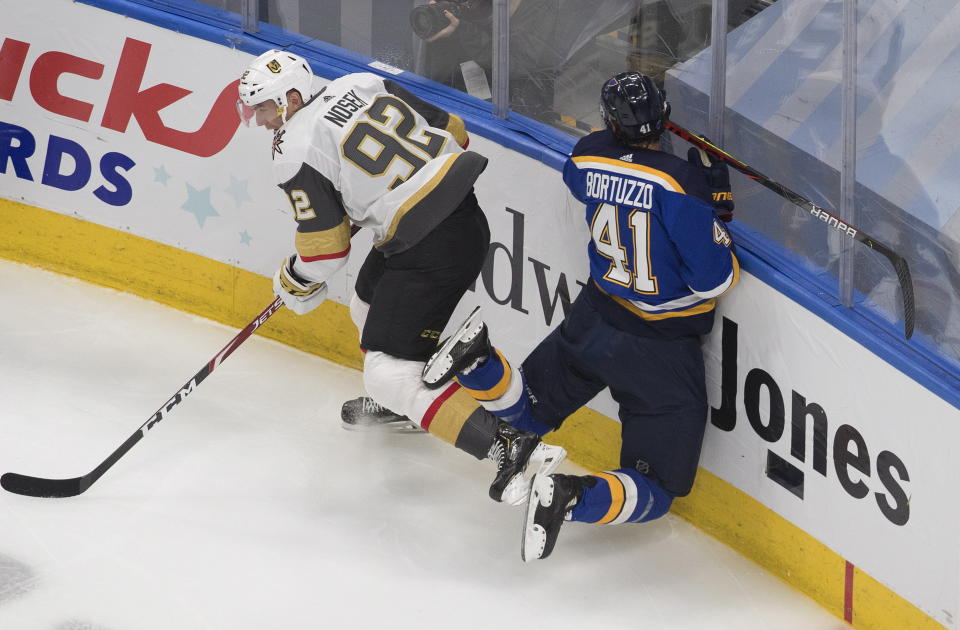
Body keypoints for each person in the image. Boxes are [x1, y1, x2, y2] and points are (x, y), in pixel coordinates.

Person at [421, 71, 740, 560]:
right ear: (665, 115)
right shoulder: (683, 183)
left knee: (528, 412)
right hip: (659, 349)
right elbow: (713, 281)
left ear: (610, 119)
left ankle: (478, 360)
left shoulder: (588, 154)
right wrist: (715, 206)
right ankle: (571, 496)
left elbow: (587, 176)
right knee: (657, 491)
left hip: (594, 319)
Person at [236, 49, 565, 506]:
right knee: (365, 304)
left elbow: (327, 249)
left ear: (292, 97)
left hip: (428, 247)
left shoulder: (292, 148)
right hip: (460, 222)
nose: (262, 121)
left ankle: (510, 446)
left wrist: (294, 278)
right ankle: (409, 406)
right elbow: (456, 133)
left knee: (386, 373)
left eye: (266, 108)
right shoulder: (360, 82)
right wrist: (366, 193)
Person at [418, 0, 560, 121]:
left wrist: (463, 29)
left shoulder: (539, 9)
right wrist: (437, 14)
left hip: (511, 109)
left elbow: (519, 65)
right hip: (441, 92)